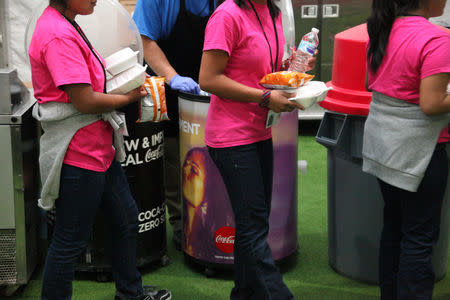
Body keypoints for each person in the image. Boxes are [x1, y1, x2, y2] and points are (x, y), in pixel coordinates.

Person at [29, 1, 171, 299]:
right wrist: (130, 96)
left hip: (98, 148)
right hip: (79, 154)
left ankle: (129, 293)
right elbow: (85, 101)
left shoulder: (67, 22)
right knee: (70, 240)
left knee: (126, 217)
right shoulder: (57, 33)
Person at [199, 0, 313, 298]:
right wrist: (264, 98)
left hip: (259, 132)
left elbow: (260, 70)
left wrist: (289, 70)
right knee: (253, 229)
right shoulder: (227, 15)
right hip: (231, 137)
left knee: (254, 225)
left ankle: (244, 293)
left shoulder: (271, 12)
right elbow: (208, 79)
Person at [363, 0, 450, 299]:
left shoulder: (382, 29)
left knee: (395, 225)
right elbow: (432, 104)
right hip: (420, 152)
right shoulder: (438, 39)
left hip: (383, 146)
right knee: (419, 237)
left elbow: (369, 82)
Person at [132, 0, 216, 250]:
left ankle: (214, 216)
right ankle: (181, 223)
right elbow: (145, 39)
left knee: (212, 154)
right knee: (173, 158)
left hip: (212, 86)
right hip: (171, 86)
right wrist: (173, 77)